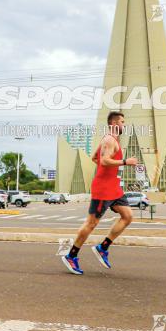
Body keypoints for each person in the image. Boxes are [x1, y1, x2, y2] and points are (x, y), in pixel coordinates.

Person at [62, 111, 137, 275]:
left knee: (128, 216)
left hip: (114, 188)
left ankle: (103, 247)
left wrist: (108, 171)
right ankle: (71, 255)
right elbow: (103, 160)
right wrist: (126, 162)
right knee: (91, 224)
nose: (124, 125)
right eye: (122, 122)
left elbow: (95, 158)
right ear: (114, 124)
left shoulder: (110, 140)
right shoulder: (110, 140)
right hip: (103, 189)